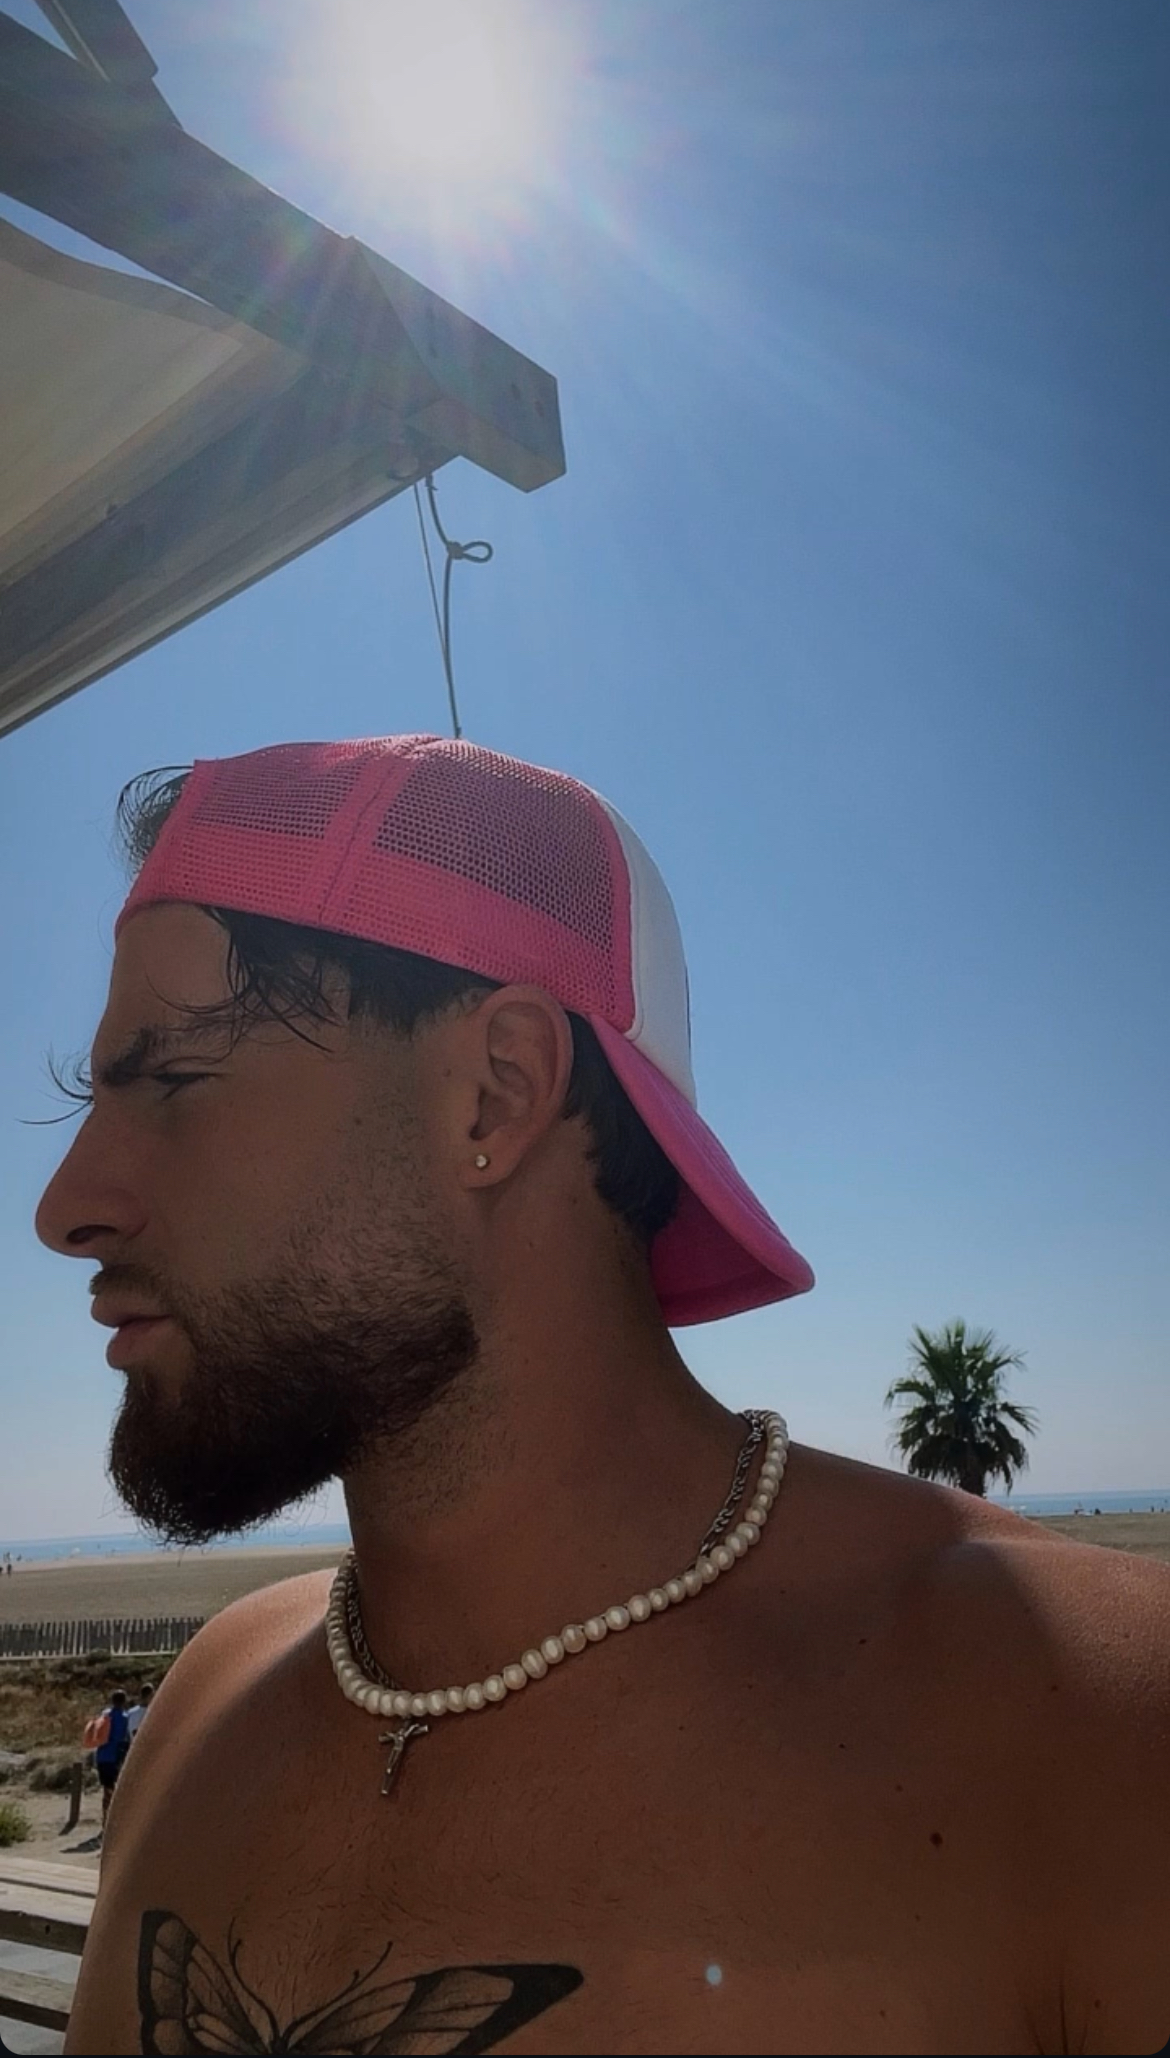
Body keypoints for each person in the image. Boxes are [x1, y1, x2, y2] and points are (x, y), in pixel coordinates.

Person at [35, 736, 1169, 2056]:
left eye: (173, 1081)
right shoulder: (204, 1708)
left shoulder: (1087, 1725)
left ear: (497, 1091)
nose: (65, 1207)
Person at [91, 1689, 130, 1826]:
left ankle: (105, 1818)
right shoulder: (124, 1717)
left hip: (102, 1756)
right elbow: (123, 1738)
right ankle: (113, 1820)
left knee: (106, 1789)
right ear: (124, 1701)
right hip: (115, 1757)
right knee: (114, 1789)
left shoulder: (105, 1715)